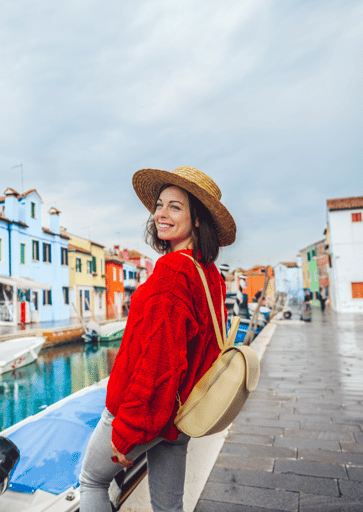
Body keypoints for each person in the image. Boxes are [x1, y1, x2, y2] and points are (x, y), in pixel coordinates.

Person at [79, 166, 236, 512]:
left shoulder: (171, 272)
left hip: (148, 412)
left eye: (175, 207)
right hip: (179, 416)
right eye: (159, 205)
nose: (160, 214)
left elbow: (158, 361)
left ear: (197, 219)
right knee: (169, 507)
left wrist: (127, 430)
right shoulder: (208, 273)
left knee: (92, 481)